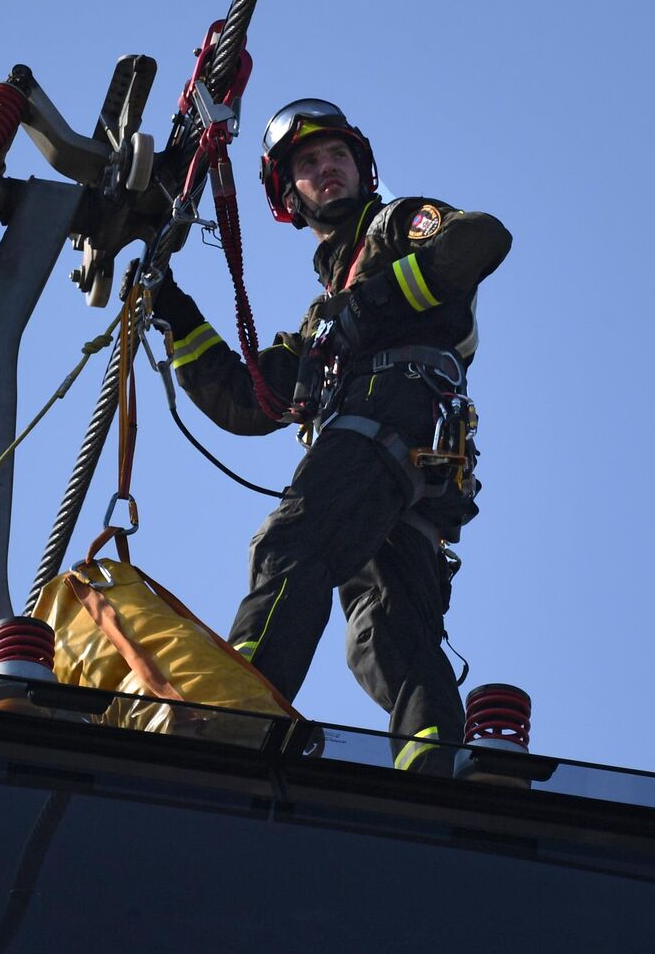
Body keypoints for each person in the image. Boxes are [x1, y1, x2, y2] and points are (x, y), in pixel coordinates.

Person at [150, 98, 511, 773]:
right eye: (309, 164)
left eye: (337, 155)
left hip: (389, 419)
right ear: (289, 194)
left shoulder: (397, 225)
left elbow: (479, 238)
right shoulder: (319, 323)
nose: (327, 169)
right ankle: (432, 765)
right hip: (406, 468)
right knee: (385, 634)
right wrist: (170, 310)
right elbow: (249, 400)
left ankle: (240, 713)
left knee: (293, 543)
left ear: (362, 166)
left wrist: (371, 305)